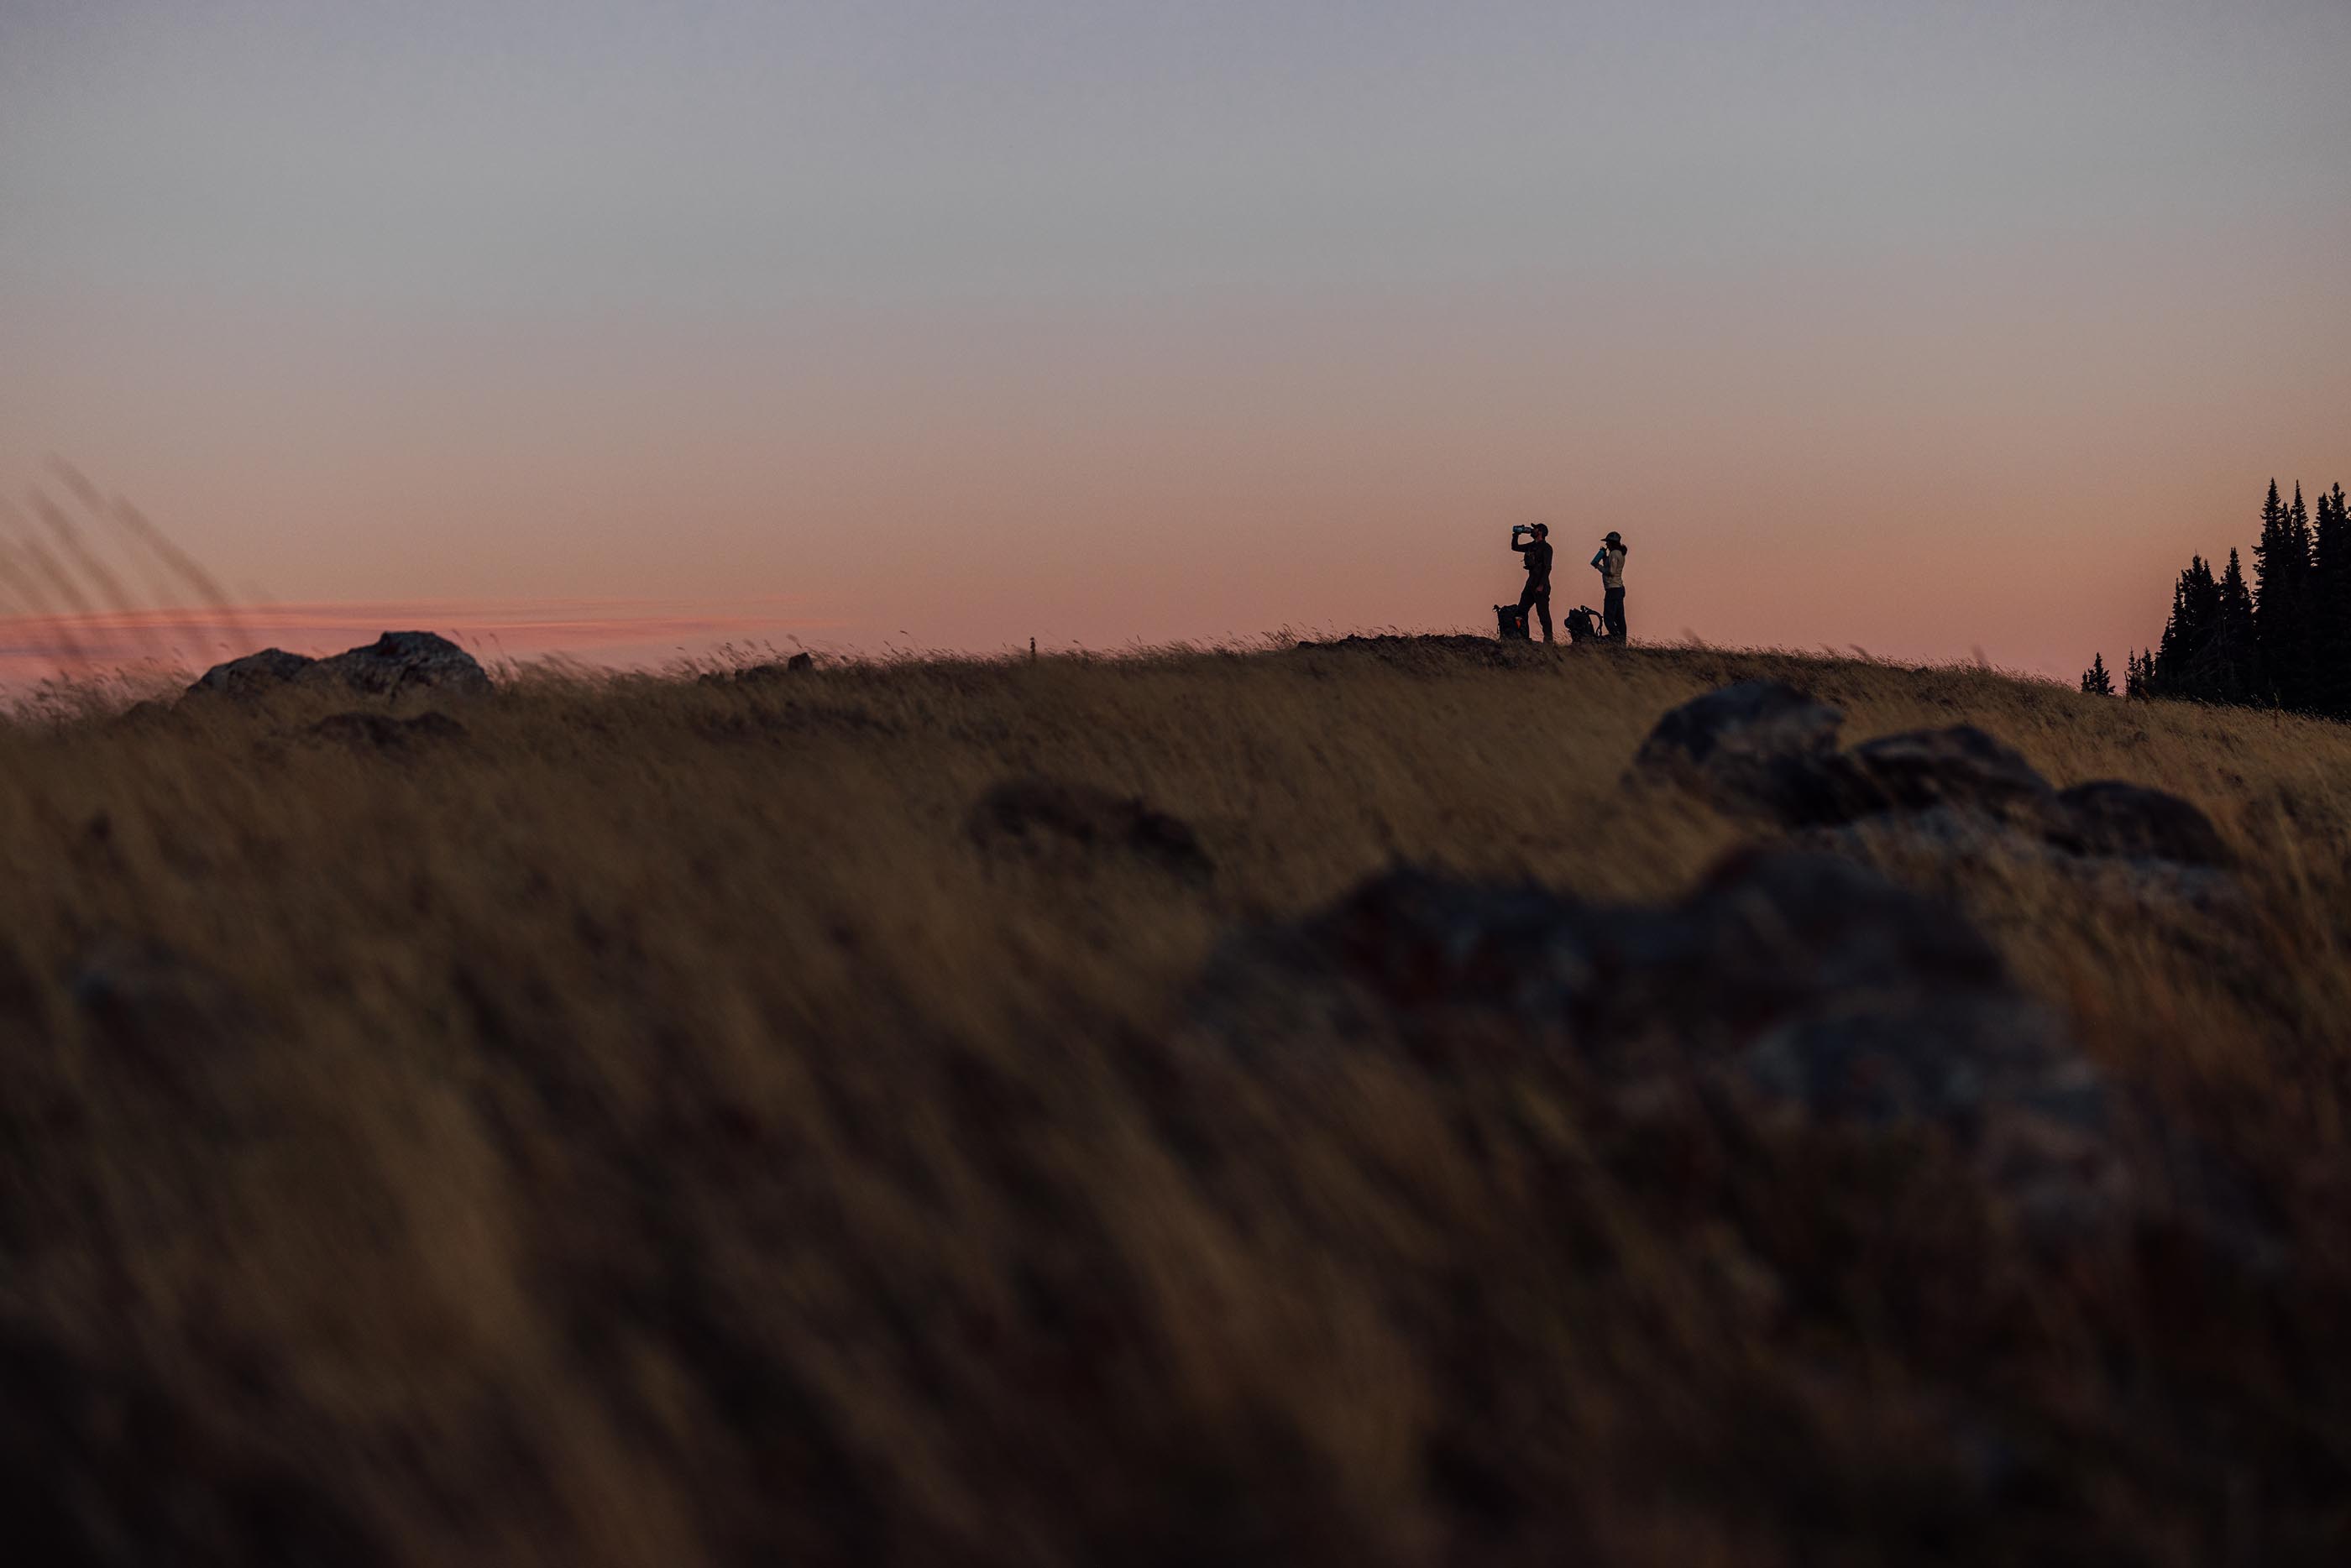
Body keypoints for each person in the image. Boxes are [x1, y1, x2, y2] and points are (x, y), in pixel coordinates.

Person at [1509, 524, 1553, 643]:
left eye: (1535, 528)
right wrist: (1516, 535)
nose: (1532, 530)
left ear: (1541, 532)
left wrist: (1541, 585)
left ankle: (1548, 642)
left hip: (1540, 586)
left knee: (1543, 615)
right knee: (1520, 612)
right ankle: (1522, 638)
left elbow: (1547, 567)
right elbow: (1515, 547)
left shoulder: (1546, 548)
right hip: (1530, 585)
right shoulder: (1532, 545)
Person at [1591, 531, 1628, 642]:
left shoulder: (1614, 554)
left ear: (1612, 543)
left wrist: (1598, 566)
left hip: (1612, 590)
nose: (1606, 544)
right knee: (1620, 618)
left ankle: (1616, 639)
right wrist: (1604, 559)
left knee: (1608, 619)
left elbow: (1611, 571)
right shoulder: (1620, 554)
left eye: (1607, 542)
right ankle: (1622, 641)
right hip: (1619, 588)